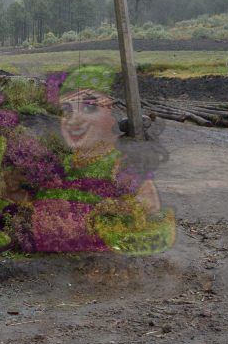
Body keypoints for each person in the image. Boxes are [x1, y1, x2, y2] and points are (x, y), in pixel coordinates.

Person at [29, 65, 174, 254]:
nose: (75, 119)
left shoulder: (121, 162)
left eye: (89, 108)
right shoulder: (68, 163)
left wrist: (105, 209)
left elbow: (149, 205)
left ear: (108, 111)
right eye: (66, 110)